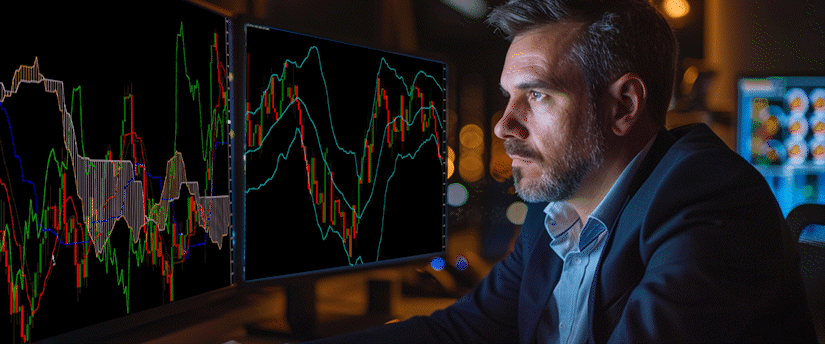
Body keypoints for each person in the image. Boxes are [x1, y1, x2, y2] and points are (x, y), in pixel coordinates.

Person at [305, 0, 817, 342]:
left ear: (624, 106)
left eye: (538, 95)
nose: (505, 125)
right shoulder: (557, 212)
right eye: (510, 97)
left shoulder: (708, 199)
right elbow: (464, 331)